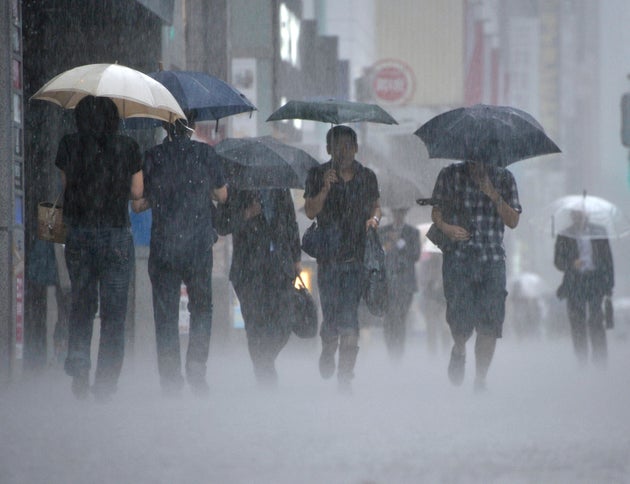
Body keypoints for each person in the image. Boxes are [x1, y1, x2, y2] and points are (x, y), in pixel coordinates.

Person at [132, 113, 227, 396]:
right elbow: (222, 196)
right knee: (201, 309)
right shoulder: (205, 154)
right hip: (197, 246)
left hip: (164, 247)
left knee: (165, 315)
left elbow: (138, 204)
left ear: (164, 126)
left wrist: (161, 196)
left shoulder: (153, 156)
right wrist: (199, 191)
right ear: (193, 127)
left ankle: (171, 379)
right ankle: (196, 370)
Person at [55, 95, 143, 401]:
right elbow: (137, 192)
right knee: (114, 313)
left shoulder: (68, 144)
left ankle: (79, 362)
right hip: (116, 234)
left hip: (79, 234)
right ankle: (105, 383)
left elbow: (66, 185)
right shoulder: (128, 147)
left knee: (81, 303)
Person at [431, 160, 521, 392]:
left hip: (491, 261)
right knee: (459, 318)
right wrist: (446, 228)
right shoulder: (450, 174)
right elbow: (436, 211)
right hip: (459, 259)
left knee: (490, 324)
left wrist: (493, 193)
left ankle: (480, 378)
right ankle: (459, 348)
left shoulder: (505, 178)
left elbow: (513, 221)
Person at [304, 125, 381, 393]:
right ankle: (328, 348)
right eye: (338, 146)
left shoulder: (368, 177)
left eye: (349, 145)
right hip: (328, 262)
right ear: (328, 149)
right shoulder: (317, 174)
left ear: (356, 148)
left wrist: (375, 219)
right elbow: (310, 212)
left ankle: (345, 376)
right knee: (331, 319)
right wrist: (325, 189)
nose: (343, 151)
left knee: (350, 319)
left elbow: (376, 206)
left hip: (355, 261)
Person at [214, 187, 301, 386]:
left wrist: (296, 258)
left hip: (279, 267)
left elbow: (290, 221)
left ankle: (265, 360)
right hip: (248, 270)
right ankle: (264, 372)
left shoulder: (280, 187)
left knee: (284, 322)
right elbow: (221, 225)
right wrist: (246, 214)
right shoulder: (236, 186)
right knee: (255, 325)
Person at [554, 209, 614, 367]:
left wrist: (609, 285)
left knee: (596, 321)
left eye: (581, 213)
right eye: (575, 214)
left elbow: (608, 259)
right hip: (575, 282)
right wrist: (571, 263)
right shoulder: (564, 235)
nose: (578, 217)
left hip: (595, 280)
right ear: (572, 216)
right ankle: (582, 360)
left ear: (586, 214)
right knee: (577, 322)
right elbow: (558, 262)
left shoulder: (599, 233)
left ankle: (600, 360)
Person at [378, 207, 421, 359]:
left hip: (405, 285)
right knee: (388, 319)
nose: (398, 216)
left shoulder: (412, 233)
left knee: (400, 318)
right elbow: (376, 254)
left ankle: (398, 353)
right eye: (396, 213)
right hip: (386, 285)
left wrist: (400, 242)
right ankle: (391, 350)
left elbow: (415, 255)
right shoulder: (382, 232)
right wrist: (386, 246)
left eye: (401, 213)